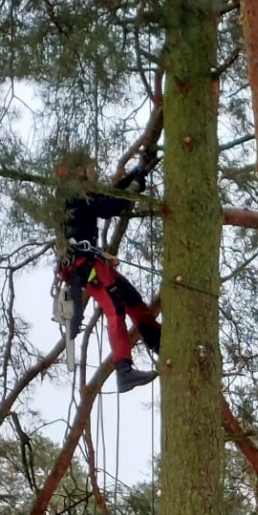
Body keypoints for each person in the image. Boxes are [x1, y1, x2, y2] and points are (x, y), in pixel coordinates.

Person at [55, 151, 162, 393]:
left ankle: (159, 342)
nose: (93, 172)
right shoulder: (73, 191)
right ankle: (124, 371)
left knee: (134, 302)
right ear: (78, 171)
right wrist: (133, 185)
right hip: (84, 265)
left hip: (94, 262)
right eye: (89, 168)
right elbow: (107, 206)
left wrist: (138, 172)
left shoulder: (81, 192)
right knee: (116, 307)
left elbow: (109, 195)